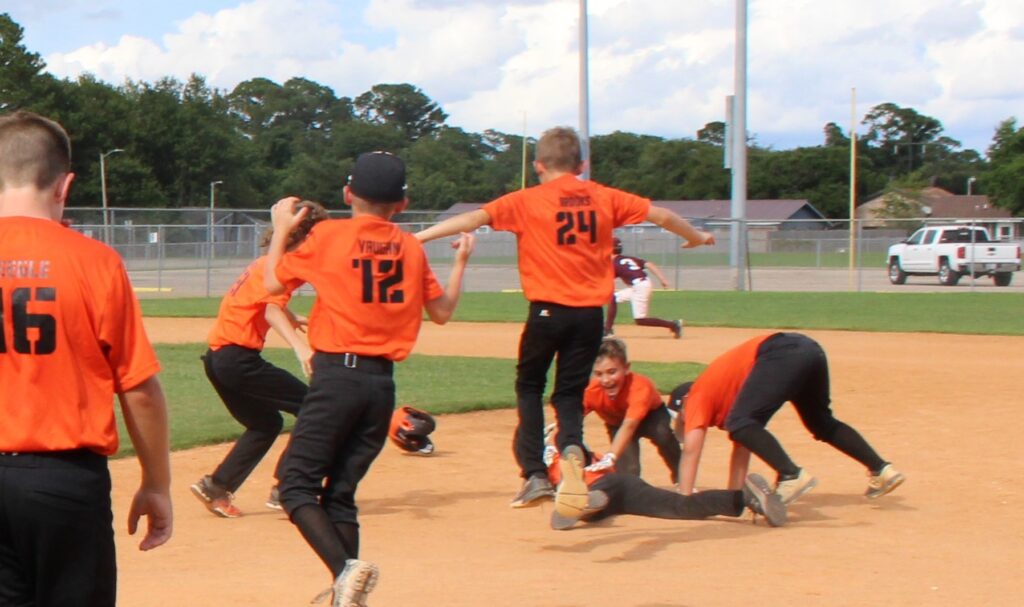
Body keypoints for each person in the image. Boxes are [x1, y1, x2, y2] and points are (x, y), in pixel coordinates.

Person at [415, 126, 714, 518]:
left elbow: (472, 218)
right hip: (590, 316)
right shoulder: (605, 196)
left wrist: (417, 238)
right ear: (582, 165)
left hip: (546, 312)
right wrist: (696, 236)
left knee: (529, 386)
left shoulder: (527, 199)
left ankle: (535, 473)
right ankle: (572, 447)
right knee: (569, 394)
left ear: (539, 165)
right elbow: (661, 215)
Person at [264, 151, 474, 607]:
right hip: (381, 386)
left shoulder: (328, 235)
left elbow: (273, 285)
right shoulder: (412, 248)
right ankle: (348, 598)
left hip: (337, 376)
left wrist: (280, 228)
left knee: (296, 486)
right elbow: (442, 312)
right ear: (402, 203)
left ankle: (346, 572)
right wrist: (460, 264)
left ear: (347, 194)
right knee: (340, 494)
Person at [0, 110, 173, 606]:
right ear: (64, 185)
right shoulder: (94, 261)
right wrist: (156, 483)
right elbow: (138, 388)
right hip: (63, 482)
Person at [189, 201, 328, 518]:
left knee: (265, 423)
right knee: (312, 407)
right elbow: (269, 308)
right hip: (238, 360)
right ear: (305, 237)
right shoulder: (285, 265)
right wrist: (299, 346)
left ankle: (216, 487)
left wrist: (292, 317)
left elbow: (264, 302)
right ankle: (288, 487)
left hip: (217, 359)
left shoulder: (266, 261)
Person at [675, 332, 906, 504]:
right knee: (820, 422)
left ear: (685, 399)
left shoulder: (696, 395)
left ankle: (790, 475)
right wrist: (733, 499)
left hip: (781, 351)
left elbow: (691, 449)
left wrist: (684, 499)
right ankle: (881, 469)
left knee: (741, 423)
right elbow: (744, 443)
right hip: (809, 351)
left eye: (681, 417)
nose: (686, 423)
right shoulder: (726, 399)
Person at [543, 440, 785, 530]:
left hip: (609, 484)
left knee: (575, 498)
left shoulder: (556, 458)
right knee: (680, 506)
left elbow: (570, 453)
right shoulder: (564, 453)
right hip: (625, 489)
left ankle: (579, 503)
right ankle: (743, 498)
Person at [581, 337, 681, 483]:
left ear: (626, 368)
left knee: (663, 435)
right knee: (629, 470)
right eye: (598, 374)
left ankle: (681, 474)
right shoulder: (591, 392)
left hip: (650, 416)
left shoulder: (639, 387)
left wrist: (611, 456)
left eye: (612, 372)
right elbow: (571, 419)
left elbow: (630, 425)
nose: (606, 380)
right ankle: (633, 496)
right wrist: (553, 441)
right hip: (617, 423)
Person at [605, 237, 682, 338]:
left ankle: (674, 325)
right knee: (613, 298)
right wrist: (662, 279)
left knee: (640, 320)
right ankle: (608, 329)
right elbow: (649, 264)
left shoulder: (614, 263)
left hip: (640, 286)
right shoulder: (628, 259)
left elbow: (605, 280)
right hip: (640, 285)